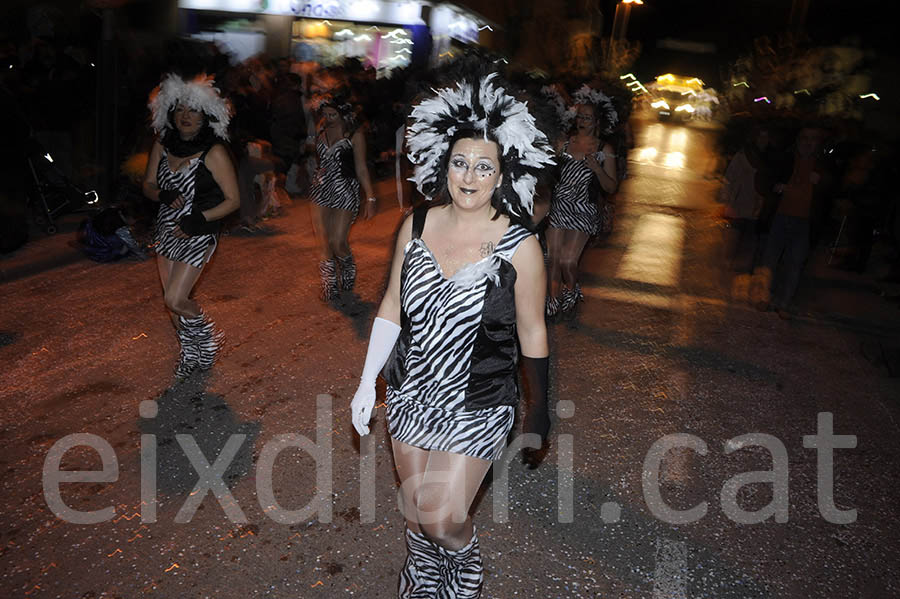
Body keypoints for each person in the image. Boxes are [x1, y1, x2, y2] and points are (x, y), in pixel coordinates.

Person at [350, 73, 556, 597]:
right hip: (412, 392)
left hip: (480, 400)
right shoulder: (416, 225)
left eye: (484, 166)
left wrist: (540, 409)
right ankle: (422, 575)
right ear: (444, 163)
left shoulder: (521, 246)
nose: (469, 176)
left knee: (442, 519)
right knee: (415, 511)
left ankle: (463, 571)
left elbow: (533, 331)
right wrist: (366, 381)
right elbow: (393, 304)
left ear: (503, 173)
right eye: (460, 162)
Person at [142, 73, 240, 379]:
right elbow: (147, 184)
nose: (186, 116)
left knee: (175, 299)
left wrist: (200, 218)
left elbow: (233, 200)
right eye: (181, 109)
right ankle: (190, 353)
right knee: (172, 305)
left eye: (193, 110)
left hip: (198, 231)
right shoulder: (162, 143)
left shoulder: (214, 151)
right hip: (166, 230)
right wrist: (161, 193)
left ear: (205, 115)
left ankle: (207, 341)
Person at [545, 85, 618, 317]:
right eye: (580, 116)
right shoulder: (564, 143)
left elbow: (611, 187)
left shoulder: (604, 149)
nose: (582, 121)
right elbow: (547, 172)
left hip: (584, 209)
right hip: (559, 204)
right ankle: (552, 301)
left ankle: (572, 288)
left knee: (568, 261)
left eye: (588, 117)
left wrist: (597, 169)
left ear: (597, 121)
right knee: (553, 258)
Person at [309, 91, 376, 300]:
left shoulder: (354, 134)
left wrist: (371, 198)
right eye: (325, 114)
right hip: (320, 188)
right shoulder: (320, 128)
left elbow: (361, 168)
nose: (328, 119)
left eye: (332, 115)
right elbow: (319, 158)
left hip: (345, 189)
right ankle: (329, 285)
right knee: (323, 241)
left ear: (343, 115)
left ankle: (347, 265)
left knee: (338, 241)